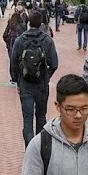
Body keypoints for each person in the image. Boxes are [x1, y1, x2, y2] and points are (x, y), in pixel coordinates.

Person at [11, 12, 60, 148]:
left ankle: (29, 149)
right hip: (42, 85)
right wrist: (47, 76)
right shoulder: (47, 40)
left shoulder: (20, 40)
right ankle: (40, 149)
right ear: (41, 23)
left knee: (27, 120)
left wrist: (17, 79)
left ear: (28, 22)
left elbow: (13, 62)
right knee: (41, 117)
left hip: (25, 84)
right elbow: (55, 64)